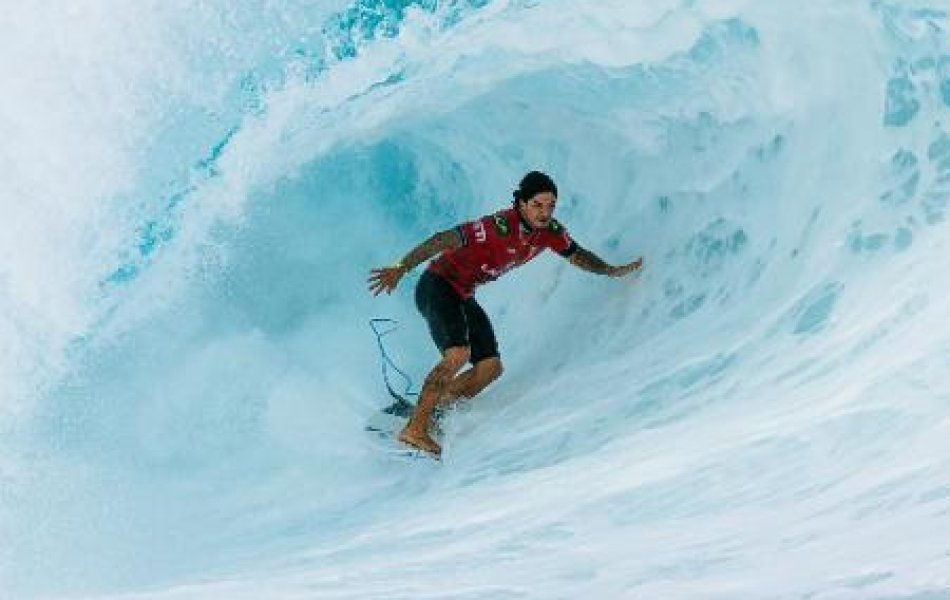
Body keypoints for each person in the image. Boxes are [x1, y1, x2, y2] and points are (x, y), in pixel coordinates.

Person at [368, 171, 643, 456]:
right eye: (537, 205)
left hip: (463, 294)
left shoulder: (550, 232)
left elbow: (576, 254)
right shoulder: (497, 226)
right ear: (521, 203)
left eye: (551, 205)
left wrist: (609, 270)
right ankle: (415, 430)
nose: (545, 212)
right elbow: (442, 240)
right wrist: (401, 267)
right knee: (458, 354)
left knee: (490, 368)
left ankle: (433, 407)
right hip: (437, 286)